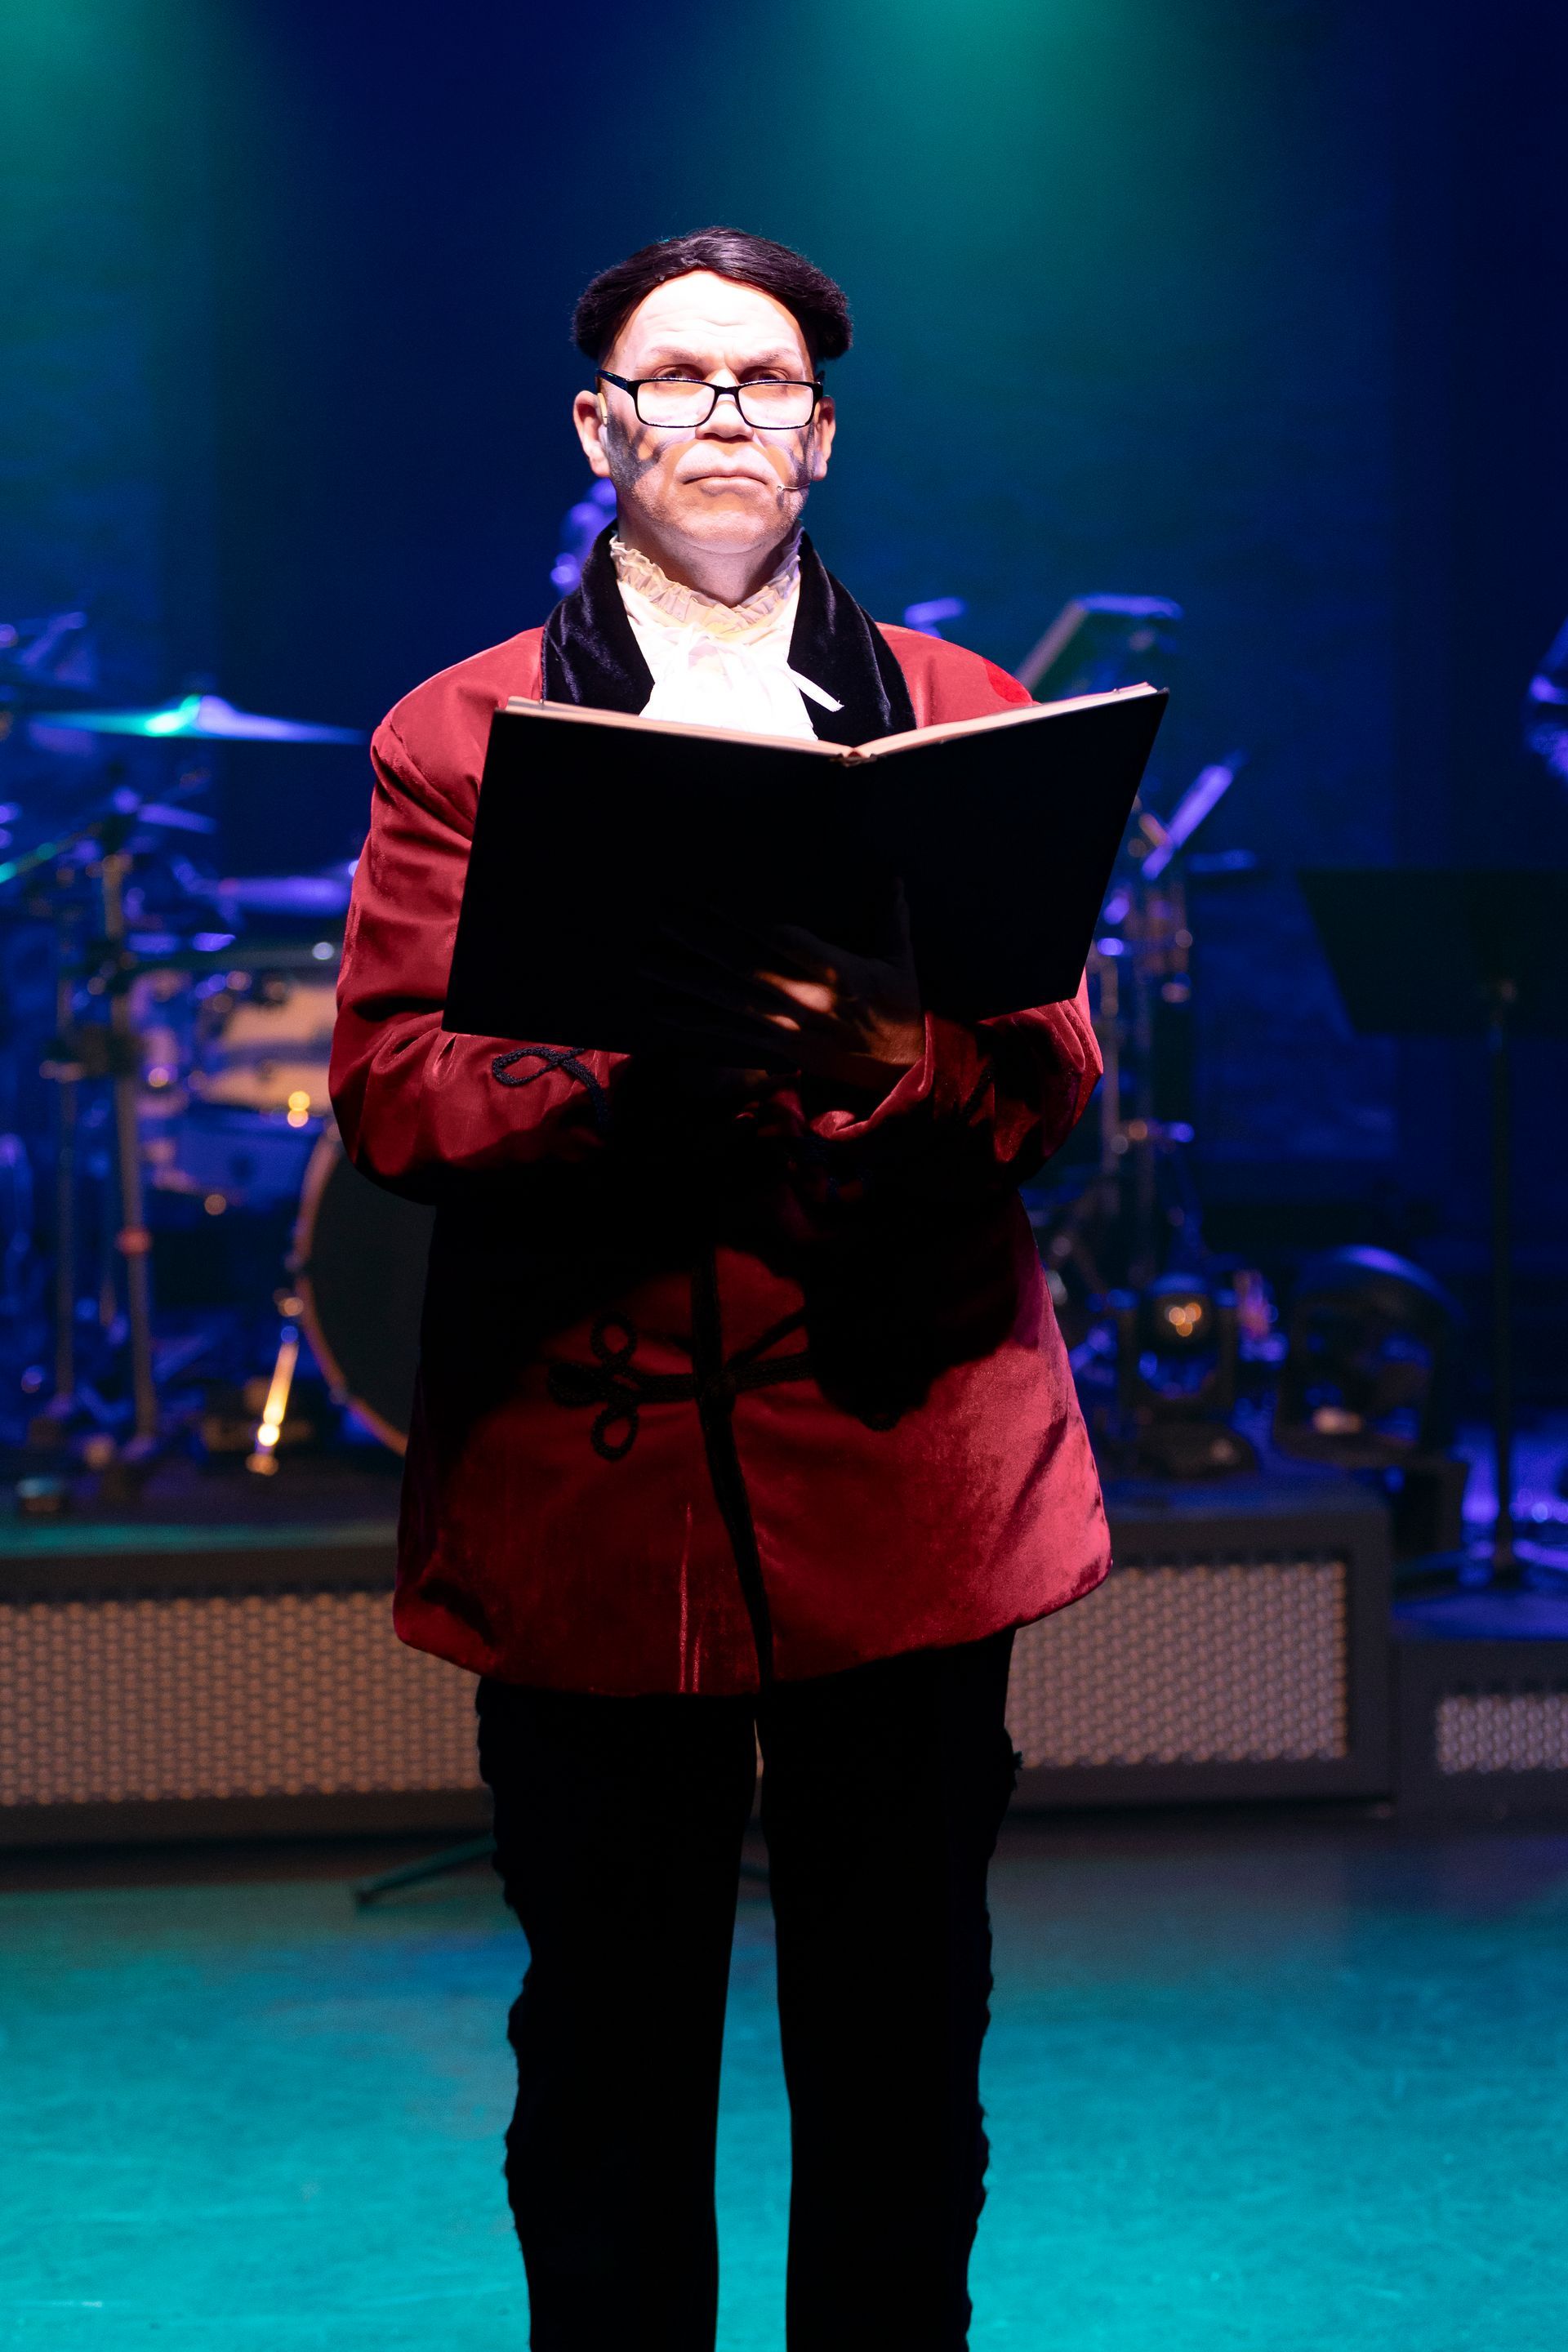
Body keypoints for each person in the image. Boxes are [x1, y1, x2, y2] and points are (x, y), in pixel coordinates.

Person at [331, 226, 1110, 2352]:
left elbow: (1050, 1072)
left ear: (825, 437)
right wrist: (635, 1066)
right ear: (600, 431)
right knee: (601, 2064)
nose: (724, 418)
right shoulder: (461, 734)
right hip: (596, 1499)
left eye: (763, 383)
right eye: (674, 382)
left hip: (904, 1473)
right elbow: (393, 1093)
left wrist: (881, 1061)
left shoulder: (967, 716)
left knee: (898, 2064)